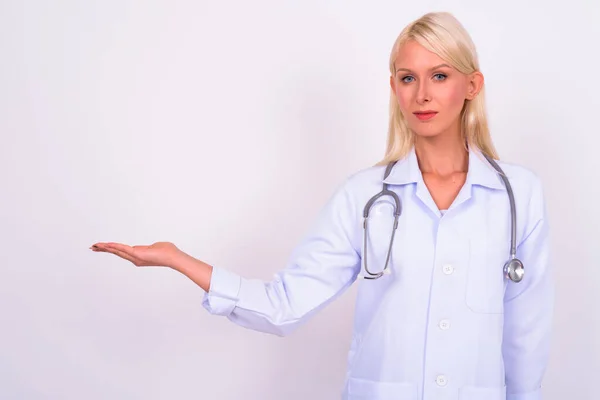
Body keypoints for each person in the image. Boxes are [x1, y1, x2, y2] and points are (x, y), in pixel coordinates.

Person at [91, 11, 553, 400]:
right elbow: (285, 306)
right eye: (408, 78)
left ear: (471, 85)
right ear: (394, 88)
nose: (422, 95)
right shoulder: (365, 197)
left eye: (440, 76)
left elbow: (524, 340)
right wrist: (178, 259)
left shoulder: (519, 196)